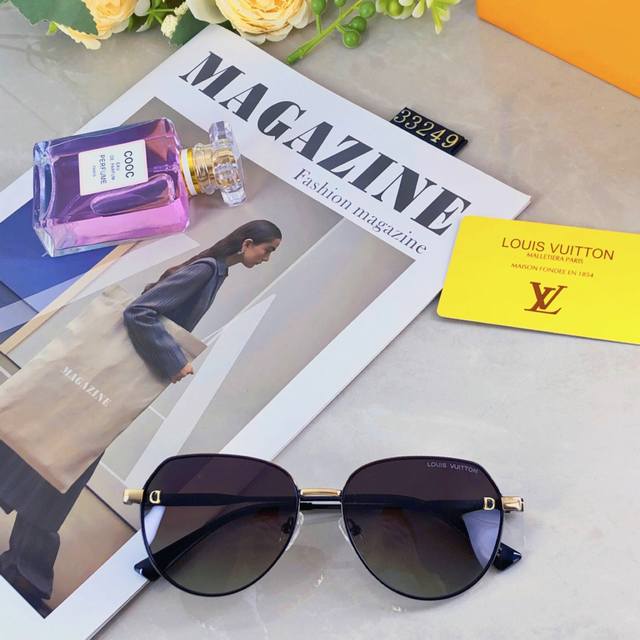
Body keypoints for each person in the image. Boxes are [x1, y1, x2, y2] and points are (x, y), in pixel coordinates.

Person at [0, 219, 282, 616]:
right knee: (61, 471)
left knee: (46, 461)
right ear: (249, 243)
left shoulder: (213, 270)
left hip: (96, 389)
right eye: (268, 250)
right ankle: (26, 569)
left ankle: (25, 568)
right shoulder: (206, 271)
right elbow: (141, 312)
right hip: (99, 393)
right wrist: (174, 360)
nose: (267, 258)